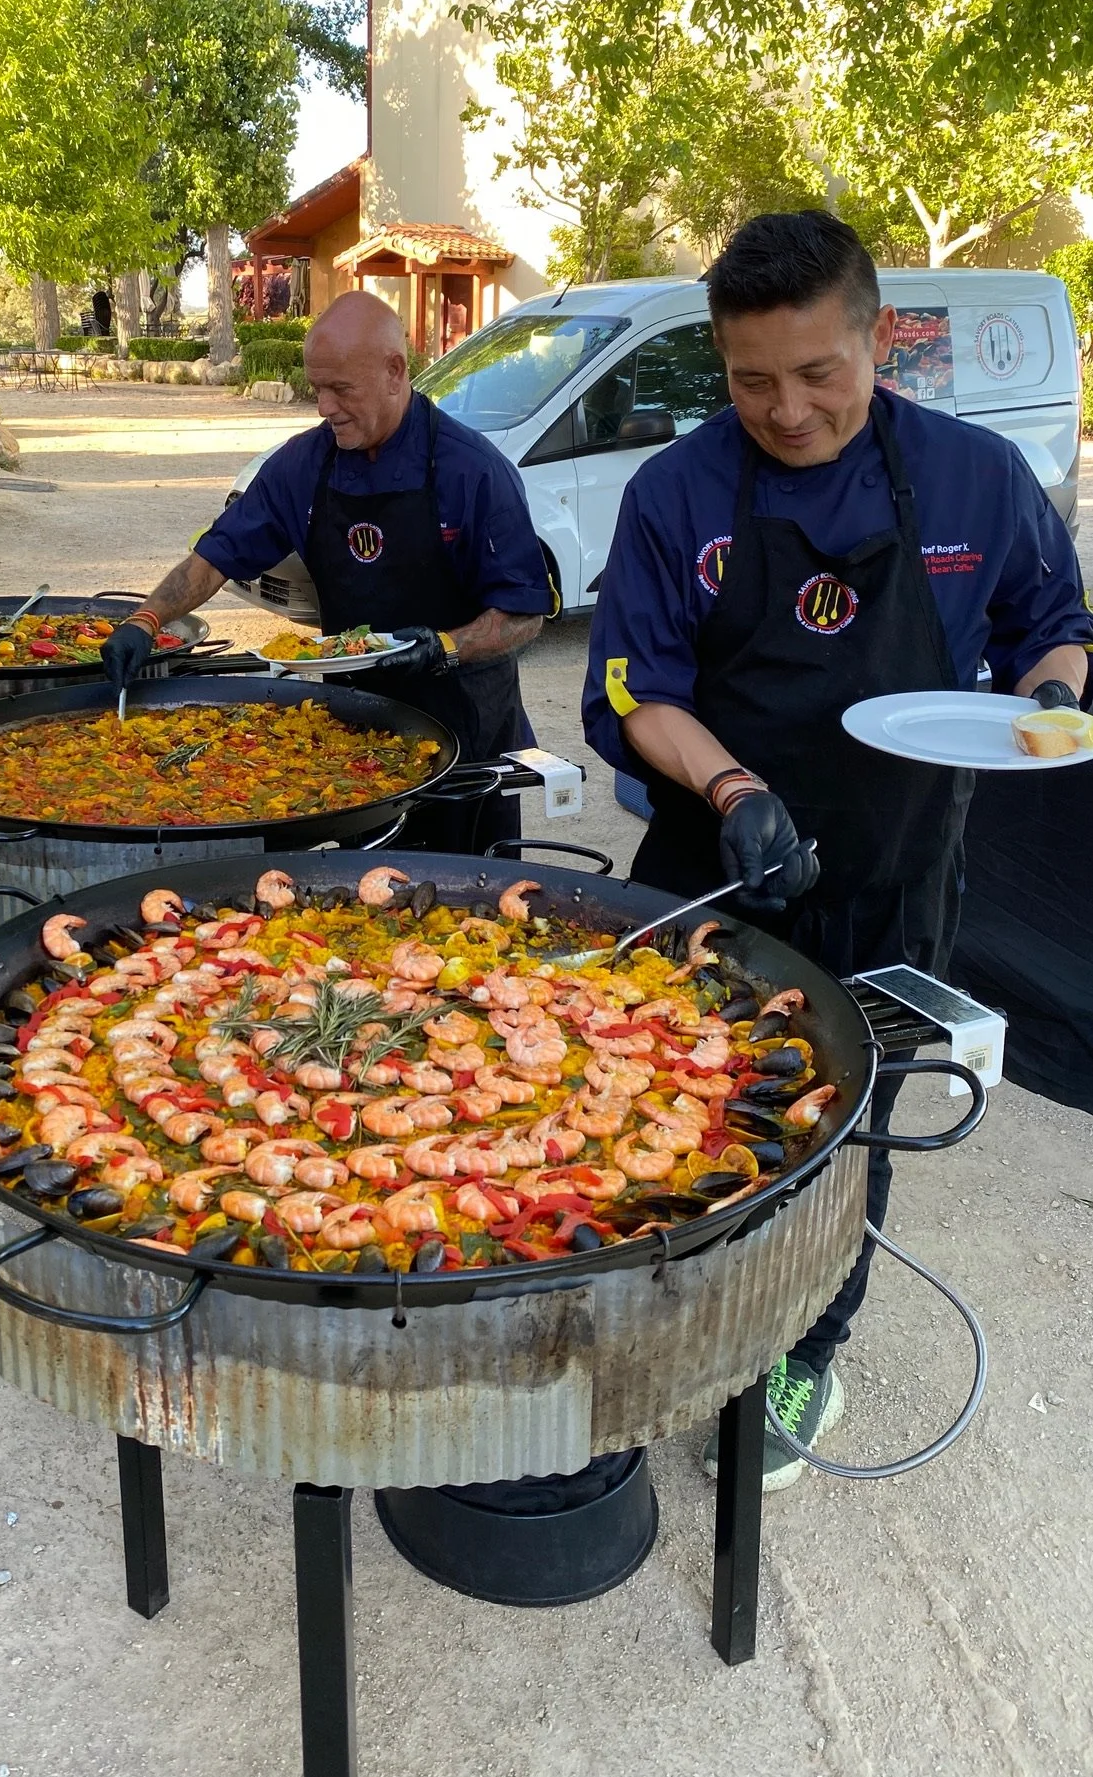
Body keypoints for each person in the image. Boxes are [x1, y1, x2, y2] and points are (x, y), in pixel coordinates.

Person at [582, 210, 1091, 1488]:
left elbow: (1054, 627)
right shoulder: (675, 490)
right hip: (717, 853)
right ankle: (655, 1323)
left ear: (878, 344)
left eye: (818, 373)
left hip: (899, 865)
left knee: (849, 1127)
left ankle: (812, 1339)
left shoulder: (976, 479)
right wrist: (733, 786)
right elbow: (637, 690)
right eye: (751, 380)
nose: (786, 409)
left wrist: (1049, 703)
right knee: (662, 1099)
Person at [102, 290, 552, 851]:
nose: (324, 407)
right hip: (351, 725)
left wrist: (442, 646)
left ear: (395, 372)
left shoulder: (475, 472)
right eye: (317, 388)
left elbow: (523, 616)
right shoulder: (301, 465)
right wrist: (145, 621)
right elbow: (213, 560)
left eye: (341, 389)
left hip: (465, 730)